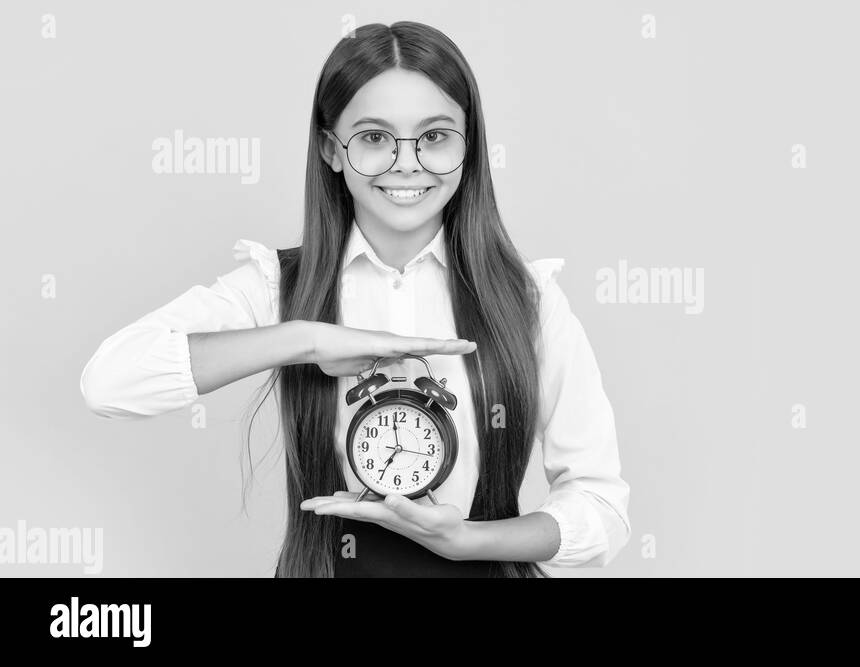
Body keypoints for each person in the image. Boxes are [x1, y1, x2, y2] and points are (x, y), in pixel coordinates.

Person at [79, 21, 630, 578]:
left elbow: (602, 510)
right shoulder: (282, 285)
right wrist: (305, 339)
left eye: (435, 136)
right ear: (331, 149)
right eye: (373, 137)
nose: (406, 163)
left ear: (470, 148)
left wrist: (467, 542)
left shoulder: (527, 299)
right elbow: (110, 382)